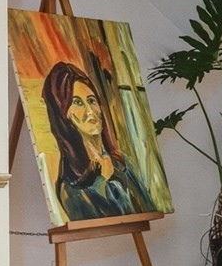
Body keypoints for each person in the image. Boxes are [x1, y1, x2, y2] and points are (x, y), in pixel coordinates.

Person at [42, 59, 152, 220]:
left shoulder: (121, 163)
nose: (90, 111)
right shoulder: (71, 186)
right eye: (77, 102)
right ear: (64, 115)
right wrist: (102, 181)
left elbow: (147, 207)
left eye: (91, 100)